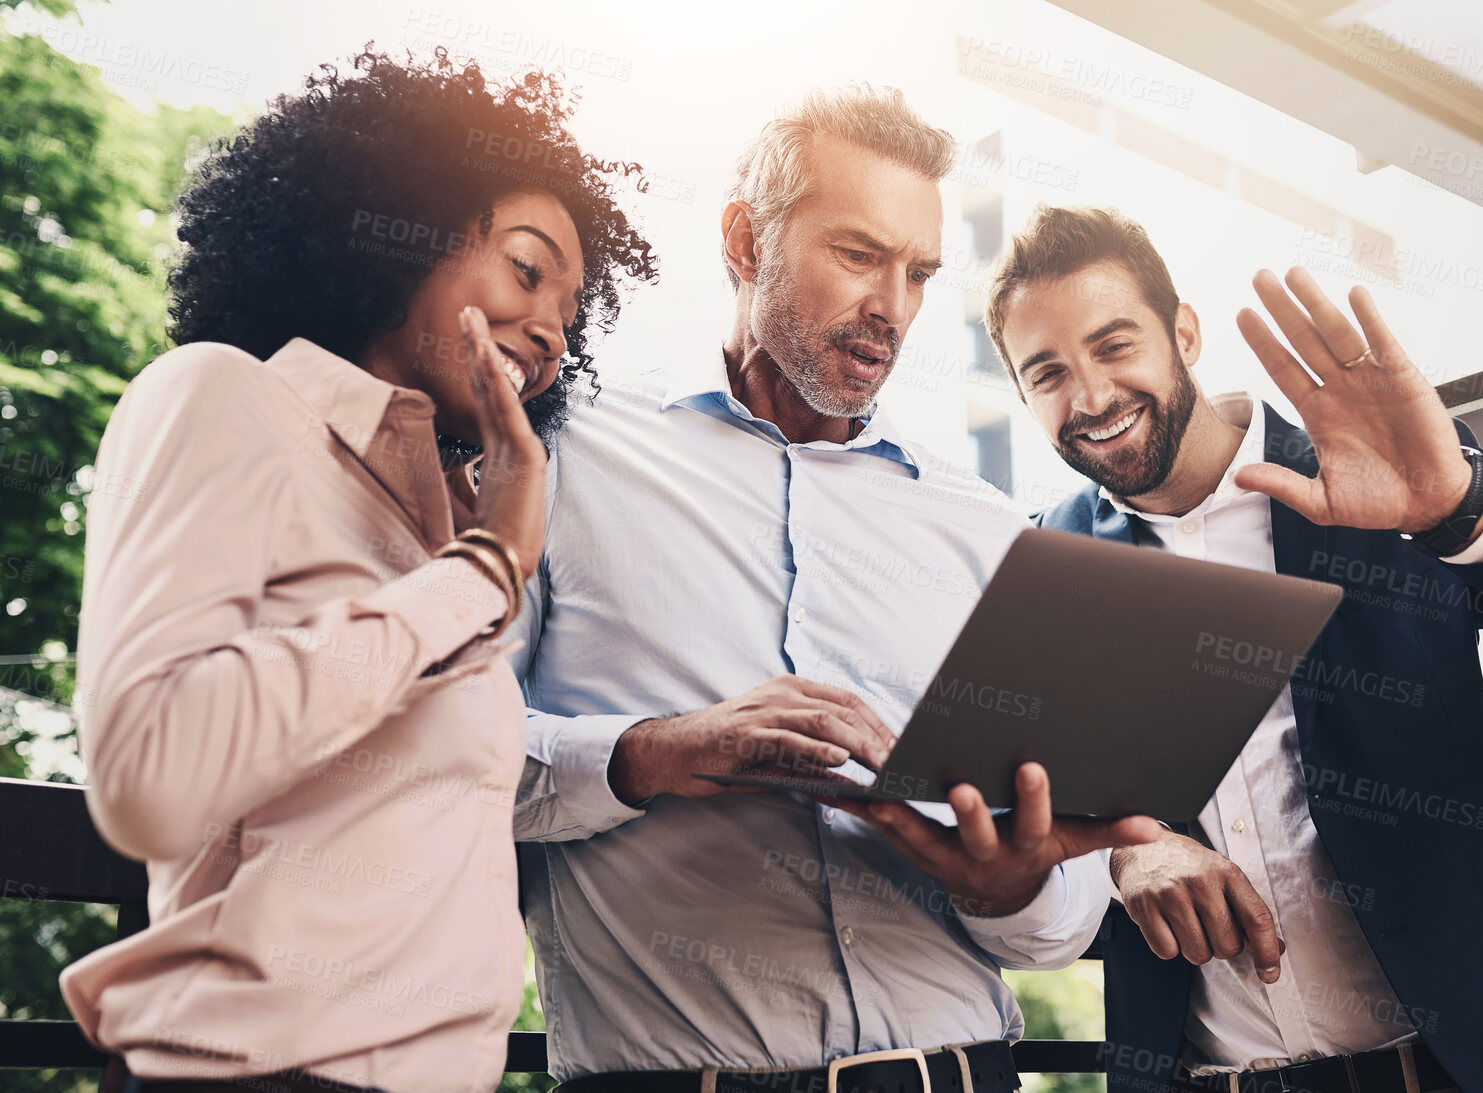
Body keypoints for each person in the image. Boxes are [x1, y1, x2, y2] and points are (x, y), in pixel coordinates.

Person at [984, 205, 1483, 1093]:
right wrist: (1118, 854)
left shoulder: (1383, 474)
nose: (1093, 397)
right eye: (1048, 374)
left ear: (1183, 333)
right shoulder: (1047, 563)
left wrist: (1460, 513)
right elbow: (1006, 807)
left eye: (1114, 346)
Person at [509, 86, 1156, 1093]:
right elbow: (446, 756)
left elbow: (1058, 923)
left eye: (917, 273)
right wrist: (648, 754)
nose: (890, 306)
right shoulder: (563, 451)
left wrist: (1012, 885)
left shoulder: (985, 530)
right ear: (743, 238)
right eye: (857, 255)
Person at [61, 48, 656, 1093]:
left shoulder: (438, 532)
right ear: (399, 236)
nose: (553, 329)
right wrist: (485, 570)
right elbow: (148, 778)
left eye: (571, 305)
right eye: (526, 268)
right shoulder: (220, 398)